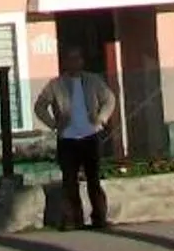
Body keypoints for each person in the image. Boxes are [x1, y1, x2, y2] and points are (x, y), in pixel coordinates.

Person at [34, 43, 117, 230]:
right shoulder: (56, 85)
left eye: (77, 58)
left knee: (93, 179)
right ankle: (73, 219)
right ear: (66, 62)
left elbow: (109, 99)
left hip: (90, 136)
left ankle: (99, 218)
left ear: (82, 61)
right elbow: (39, 106)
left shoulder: (93, 81)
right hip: (68, 139)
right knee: (69, 181)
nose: (74, 62)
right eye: (70, 59)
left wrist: (101, 119)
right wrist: (54, 124)